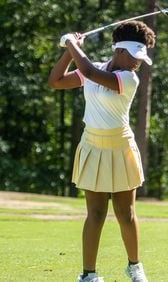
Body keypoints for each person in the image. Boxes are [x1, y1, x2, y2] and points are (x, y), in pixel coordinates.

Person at [47, 20, 155, 282]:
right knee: (95, 214)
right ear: (119, 50)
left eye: (141, 57)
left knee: (125, 214)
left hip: (120, 146)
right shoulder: (93, 67)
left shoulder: (128, 78)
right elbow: (56, 81)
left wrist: (72, 43)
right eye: (134, 55)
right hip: (93, 145)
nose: (137, 62)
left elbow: (90, 73)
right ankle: (88, 275)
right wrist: (68, 50)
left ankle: (134, 266)